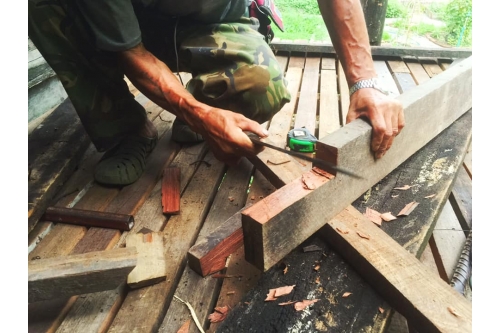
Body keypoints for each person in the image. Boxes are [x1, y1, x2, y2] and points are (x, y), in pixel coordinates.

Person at [28, 0, 404, 187]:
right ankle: (128, 129)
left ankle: (206, 105)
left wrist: (364, 83)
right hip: (131, 22)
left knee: (261, 85)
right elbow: (130, 52)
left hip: (214, 22)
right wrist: (196, 113)